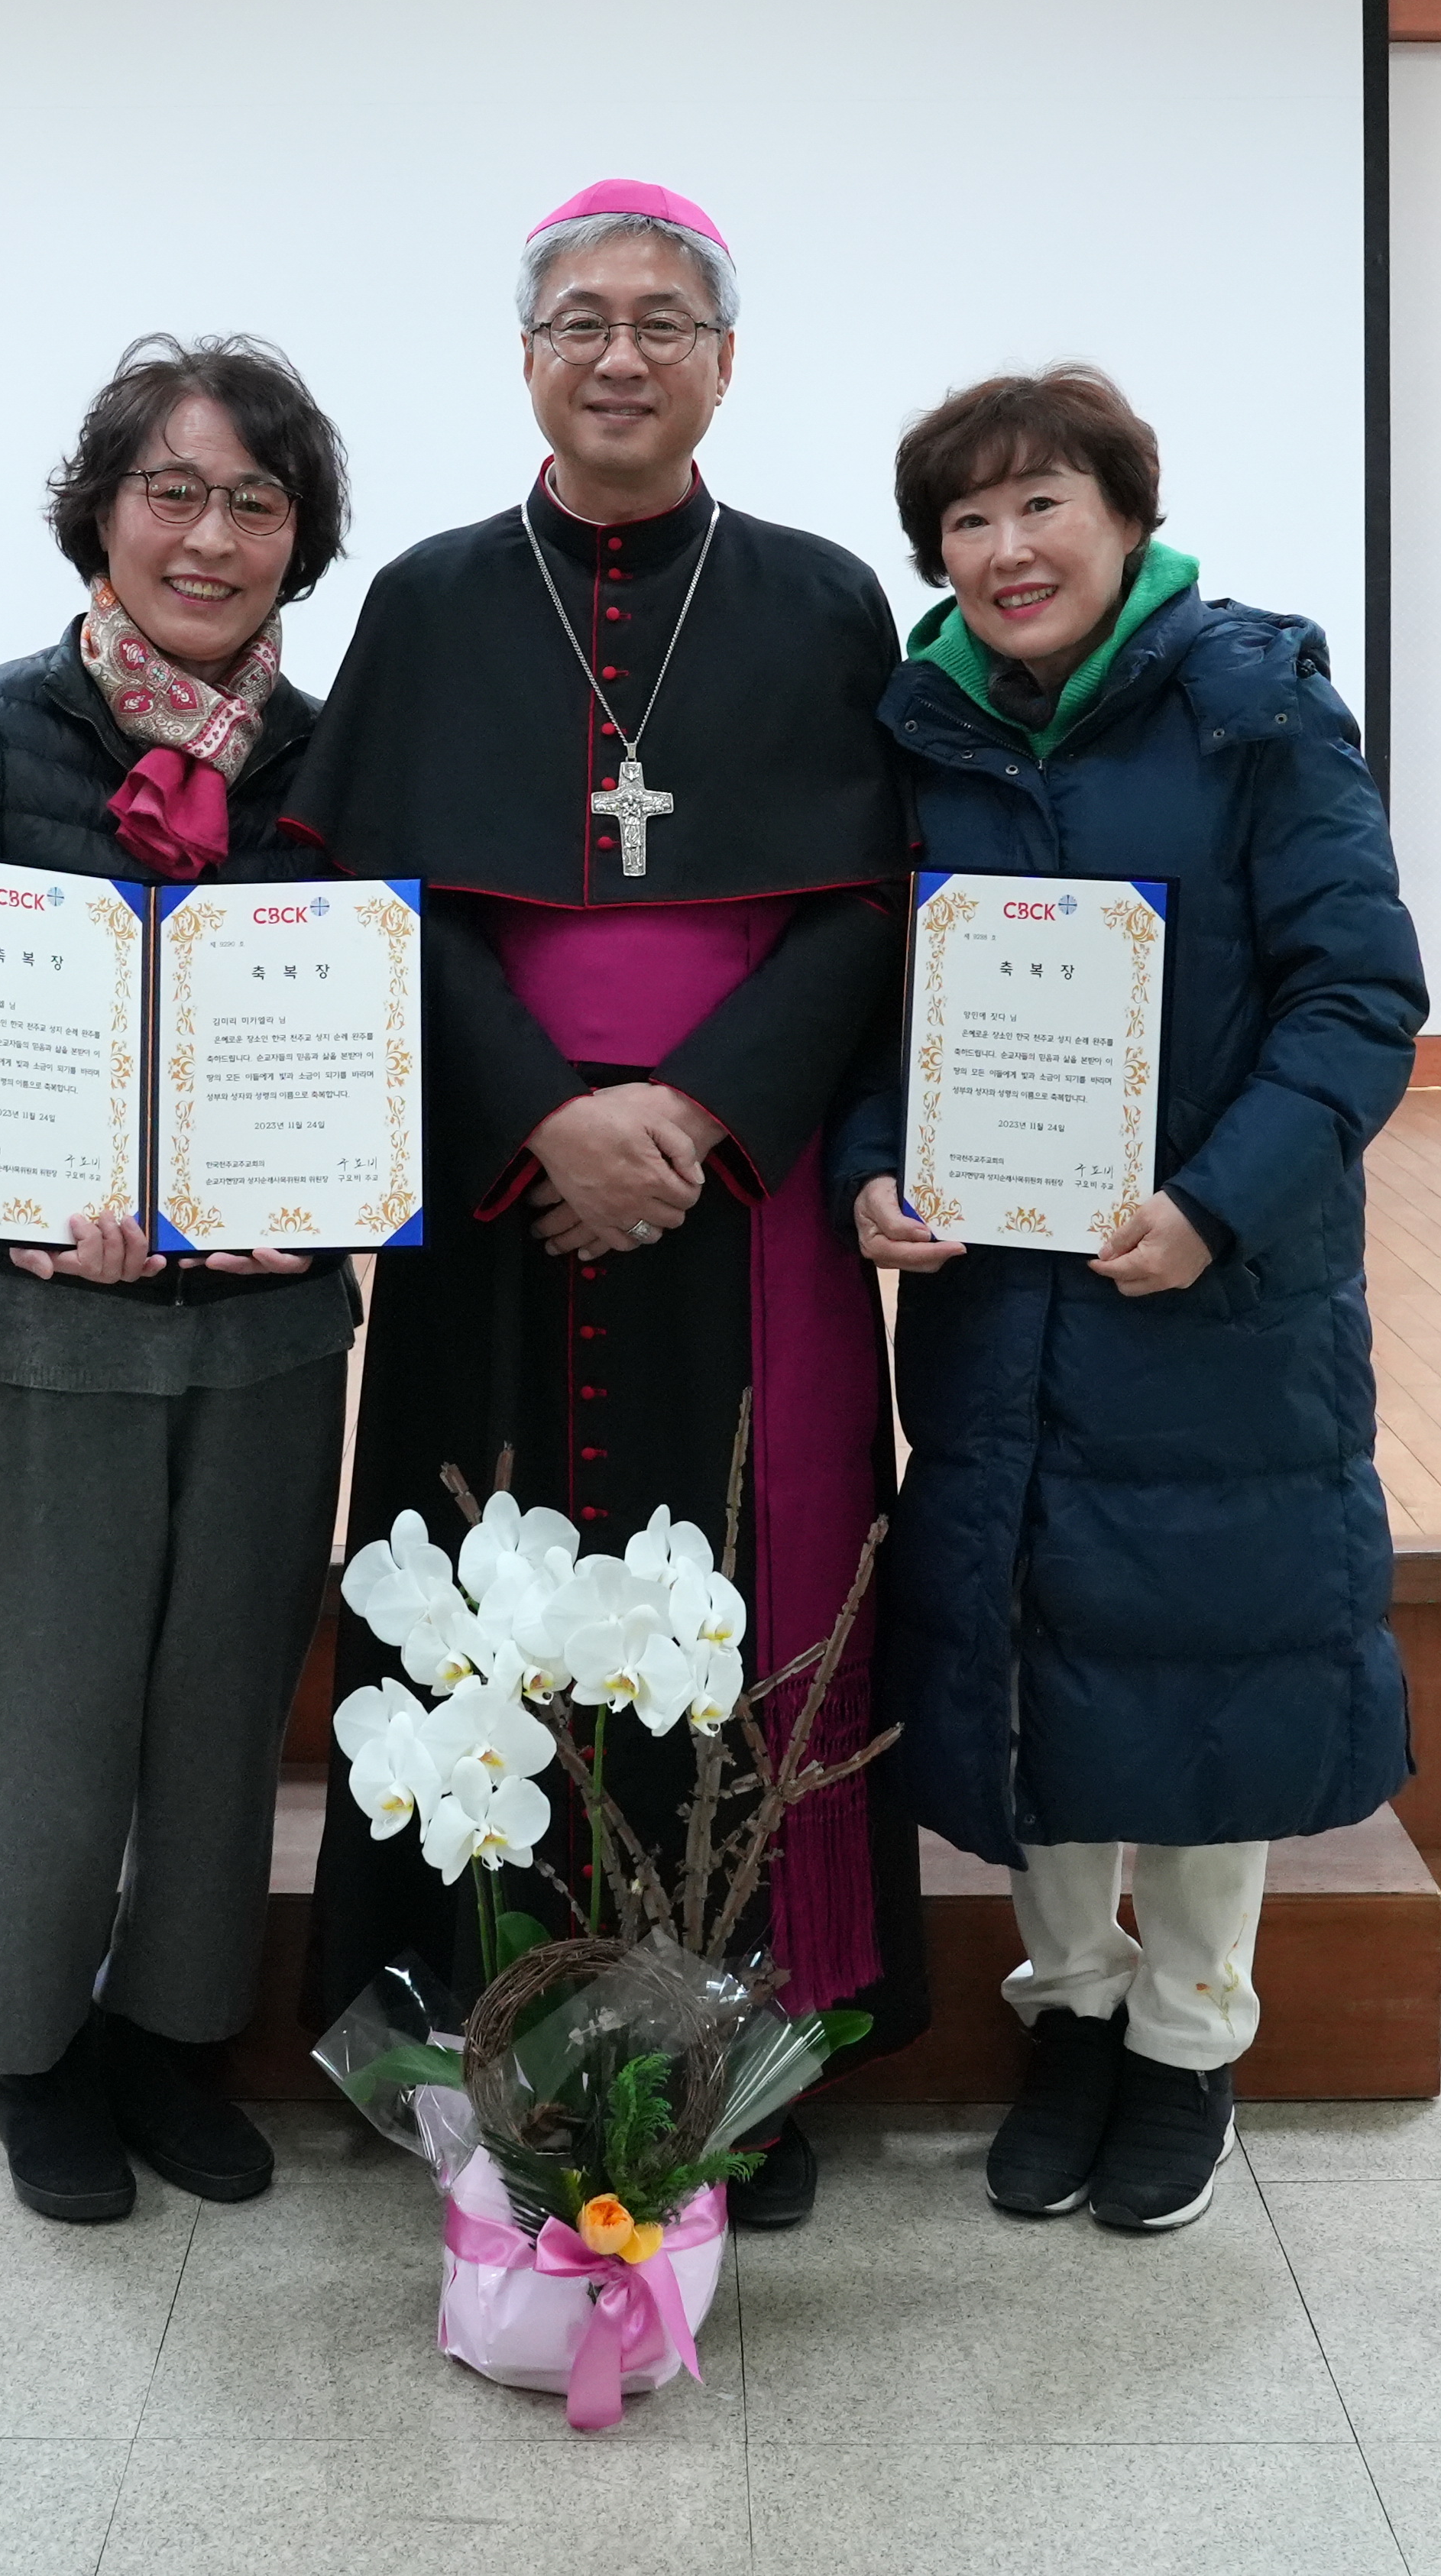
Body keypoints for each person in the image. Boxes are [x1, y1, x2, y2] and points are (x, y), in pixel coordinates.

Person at [280, 181, 927, 2230]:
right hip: (501, 1207)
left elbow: (861, 914)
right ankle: (471, 2030)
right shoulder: (436, 600)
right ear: (528, 357)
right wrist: (546, 1119)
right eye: (580, 318)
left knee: (751, 1595)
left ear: (725, 361)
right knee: (478, 1601)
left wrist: (702, 1115)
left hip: (748, 1210)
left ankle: (747, 2051)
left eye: (662, 319)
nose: (620, 351)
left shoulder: (823, 600)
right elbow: (385, 906)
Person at [837, 365, 1425, 2236]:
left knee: (1197, 1661)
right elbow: (880, 1005)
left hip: (1210, 1294)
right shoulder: (917, 729)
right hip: (1005, 1298)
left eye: (1043, 506)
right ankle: (1070, 2015)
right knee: (1034, 1644)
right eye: (968, 520)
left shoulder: (1255, 705)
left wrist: (1215, 1206)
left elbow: (1358, 996)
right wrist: (873, 1159)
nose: (1008, 551)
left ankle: (1187, 2038)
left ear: (1128, 517)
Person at [0, 334, 364, 2227]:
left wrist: (342, 1186)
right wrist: (15, 1188)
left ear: (299, 539)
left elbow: (387, 1026)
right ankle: (36, 2053)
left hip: (268, 1340)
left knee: (220, 1726)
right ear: (103, 511)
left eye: (254, 502)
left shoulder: (334, 755)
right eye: (172, 491)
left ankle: (173, 2038)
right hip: (23, 1330)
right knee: (34, 1720)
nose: (208, 537)